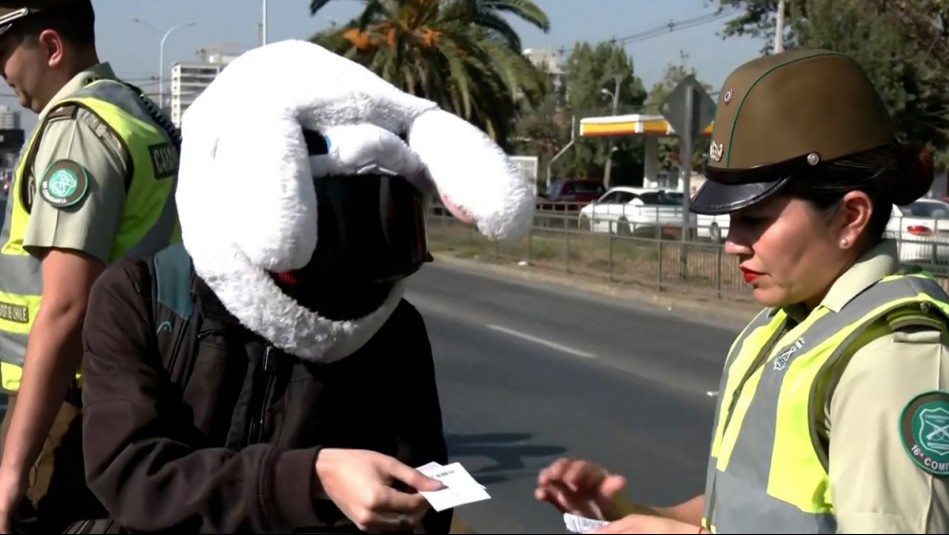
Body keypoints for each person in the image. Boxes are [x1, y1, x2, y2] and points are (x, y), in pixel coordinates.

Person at [76, 40, 533, 533]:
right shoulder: (140, 296)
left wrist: (405, 505)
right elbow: (131, 476)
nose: (345, 274)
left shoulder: (394, 329)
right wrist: (311, 478)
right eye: (320, 226)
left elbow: (420, 496)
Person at [534, 48, 949, 534]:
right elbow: (739, 514)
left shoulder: (892, 359)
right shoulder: (789, 322)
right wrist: (630, 513)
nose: (733, 243)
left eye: (755, 219)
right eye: (731, 220)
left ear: (850, 217)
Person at [0, 0, 180, 532]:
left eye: (4, 52)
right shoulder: (135, 110)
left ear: (52, 47)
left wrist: (14, 465)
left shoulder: (76, 129)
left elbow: (66, 306)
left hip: (68, 398)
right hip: (133, 377)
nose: (1, 72)